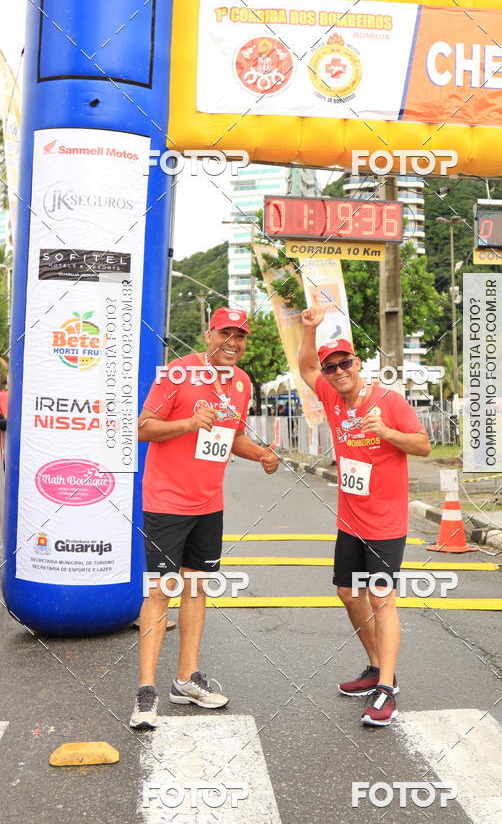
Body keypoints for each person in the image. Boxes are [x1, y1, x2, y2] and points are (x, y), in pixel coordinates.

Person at [131, 307, 280, 729]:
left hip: (208, 504)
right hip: (166, 501)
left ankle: (186, 680)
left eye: (241, 336)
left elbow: (231, 439)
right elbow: (141, 427)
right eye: (225, 333)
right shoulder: (177, 373)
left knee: (196, 588)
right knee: (160, 591)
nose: (233, 343)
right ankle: (146, 692)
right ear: (208, 333)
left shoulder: (242, 383)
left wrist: (264, 455)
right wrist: (188, 423)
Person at [299, 307, 431, 727]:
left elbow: (424, 446)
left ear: (358, 364)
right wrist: (308, 330)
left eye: (344, 363)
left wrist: (386, 432)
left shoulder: (389, 401)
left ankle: (387, 689)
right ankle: (376, 668)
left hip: (386, 523)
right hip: (350, 522)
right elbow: (304, 367)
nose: (338, 371)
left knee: (381, 599)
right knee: (348, 594)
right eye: (331, 366)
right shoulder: (332, 397)